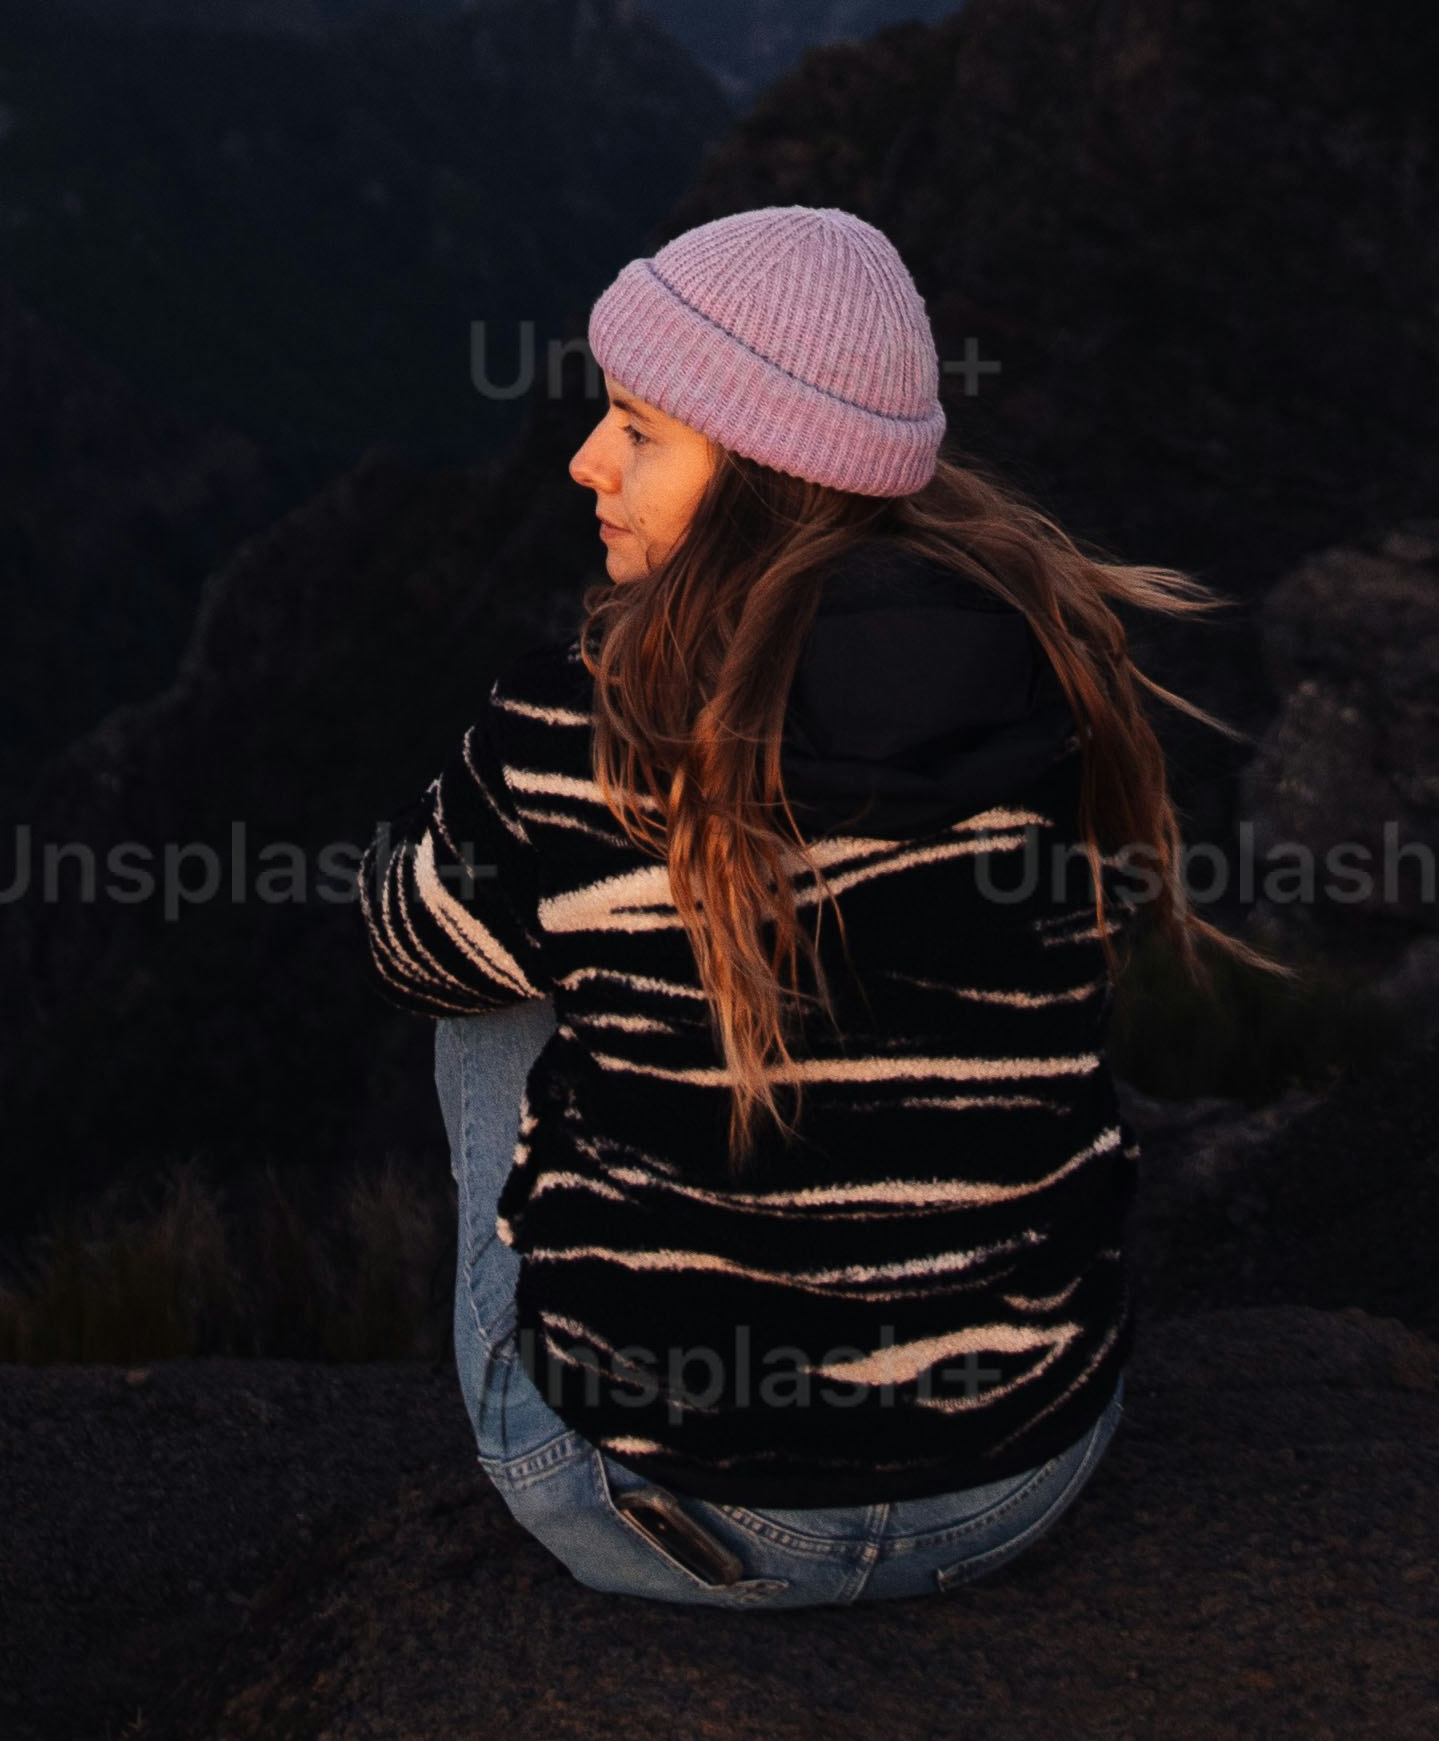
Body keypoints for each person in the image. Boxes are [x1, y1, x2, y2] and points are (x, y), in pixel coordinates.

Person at [366, 199, 1227, 1609]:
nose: (586, 461)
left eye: (640, 430)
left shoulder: (575, 733)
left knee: (490, 985)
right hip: (1018, 1479)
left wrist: (490, 838)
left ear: (768, 477)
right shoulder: (1041, 682)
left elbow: (403, 952)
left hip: (667, 1509)